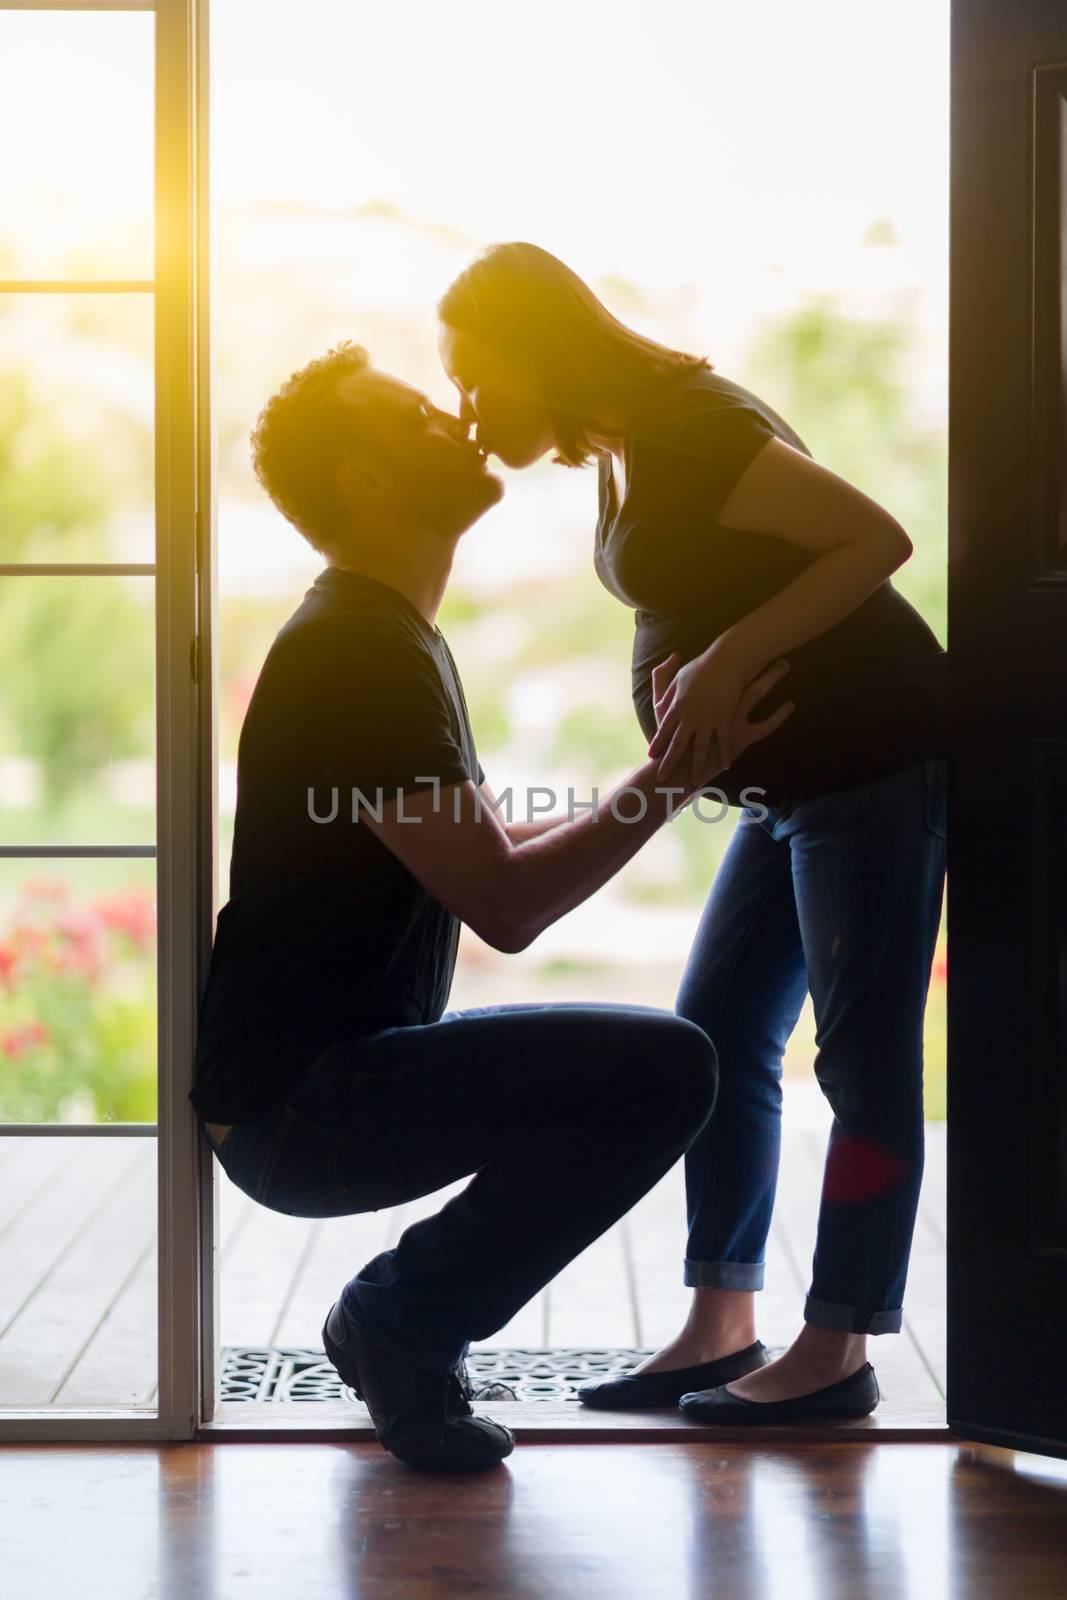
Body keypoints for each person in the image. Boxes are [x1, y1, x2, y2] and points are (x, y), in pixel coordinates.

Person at [189, 341, 796, 1470]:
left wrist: (667, 759)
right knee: (669, 1064)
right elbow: (506, 906)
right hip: (299, 1108)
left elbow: (487, 849)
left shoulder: (386, 634)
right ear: (365, 480)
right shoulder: (360, 649)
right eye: (418, 415)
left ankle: (400, 1312)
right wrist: (675, 771)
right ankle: (402, 1317)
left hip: (316, 1087)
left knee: (652, 1059)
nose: (458, 421)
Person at [437, 242, 947, 1424]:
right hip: (785, 789)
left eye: (475, 380)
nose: (467, 414)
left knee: (862, 1061)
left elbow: (873, 540)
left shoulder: (688, 424)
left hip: (868, 766)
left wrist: (726, 656)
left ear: (535, 348)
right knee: (714, 1034)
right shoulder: (627, 441)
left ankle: (839, 1346)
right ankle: (721, 1322)